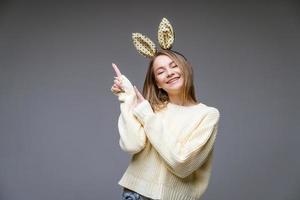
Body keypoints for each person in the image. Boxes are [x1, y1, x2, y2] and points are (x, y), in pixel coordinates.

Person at [110, 18, 220, 200]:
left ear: (186, 69)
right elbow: (132, 145)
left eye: (174, 66)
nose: (169, 73)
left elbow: (182, 164)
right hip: (135, 195)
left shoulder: (207, 115)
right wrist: (127, 100)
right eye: (160, 72)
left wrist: (146, 115)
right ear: (158, 83)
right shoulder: (150, 109)